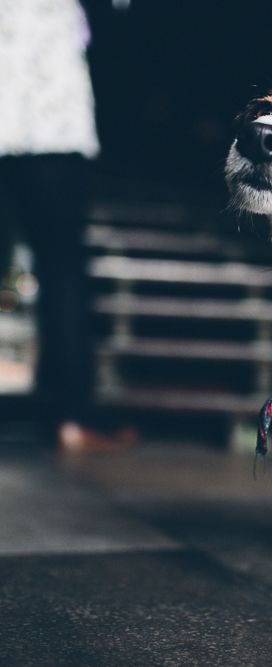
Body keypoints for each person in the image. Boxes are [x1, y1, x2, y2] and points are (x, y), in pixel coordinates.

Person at [0, 0, 133, 450]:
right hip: (47, 109)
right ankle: (71, 414)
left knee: (61, 269)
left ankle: (69, 411)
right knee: (62, 269)